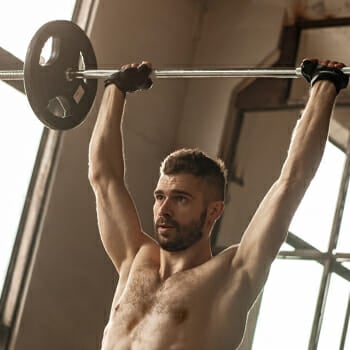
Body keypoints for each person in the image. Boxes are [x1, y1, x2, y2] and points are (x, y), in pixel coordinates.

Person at [88, 58, 348, 350]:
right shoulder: (135, 258)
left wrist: (325, 85)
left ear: (214, 211)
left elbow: (291, 182)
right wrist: (115, 89)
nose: (164, 210)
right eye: (160, 197)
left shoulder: (231, 275)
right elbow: (104, 177)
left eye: (181, 199)